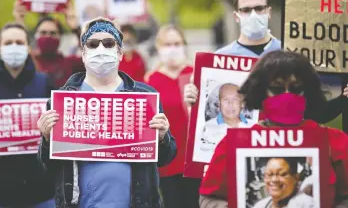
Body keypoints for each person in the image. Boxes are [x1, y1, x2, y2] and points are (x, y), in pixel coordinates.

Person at [199, 50, 348, 208]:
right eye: (276, 89)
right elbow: (209, 198)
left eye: (296, 88)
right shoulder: (234, 144)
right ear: (261, 92)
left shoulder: (335, 142)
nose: (287, 96)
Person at [37, 17, 176, 208]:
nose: (100, 49)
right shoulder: (62, 101)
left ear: (119, 53)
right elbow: (49, 167)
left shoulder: (145, 97)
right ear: (83, 54)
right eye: (92, 44)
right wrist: (46, 138)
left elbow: (165, 158)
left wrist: (162, 137)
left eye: (108, 43)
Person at [184, 0, 348, 124]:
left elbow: (315, 110)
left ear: (268, 12)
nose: (253, 15)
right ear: (236, 16)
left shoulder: (291, 55)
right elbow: (206, 119)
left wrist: (345, 98)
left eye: (259, 8)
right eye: (246, 10)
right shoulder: (218, 61)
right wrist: (194, 100)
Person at [0, 22, 55, 208]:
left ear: (28, 48)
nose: (13, 47)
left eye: (19, 42)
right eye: (8, 43)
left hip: (42, 190)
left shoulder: (45, 82)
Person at [145, 24, 200, 208]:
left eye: (177, 43)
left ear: (184, 44)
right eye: (167, 44)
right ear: (159, 47)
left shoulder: (196, 74)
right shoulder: (151, 80)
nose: (173, 49)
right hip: (167, 160)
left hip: (195, 157)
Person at [200, 83, 256, 153]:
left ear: (242, 104)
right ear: (219, 104)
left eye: (235, 100)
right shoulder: (207, 128)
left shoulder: (253, 127)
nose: (230, 104)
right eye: (225, 99)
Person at [31, 15, 84, 88]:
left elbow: (90, 59)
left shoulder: (70, 63)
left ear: (60, 36)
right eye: (43, 33)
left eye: (53, 33)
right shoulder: (29, 62)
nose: (48, 36)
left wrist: (76, 30)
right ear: (36, 35)